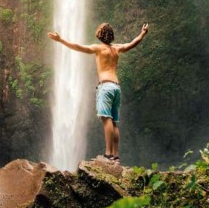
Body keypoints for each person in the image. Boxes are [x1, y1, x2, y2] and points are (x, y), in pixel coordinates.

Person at [48, 22, 149, 163]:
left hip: (106, 86)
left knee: (106, 119)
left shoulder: (98, 48)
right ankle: (116, 155)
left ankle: (108, 154)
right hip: (116, 87)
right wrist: (142, 33)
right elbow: (132, 43)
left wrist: (61, 40)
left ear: (101, 34)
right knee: (113, 122)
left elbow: (78, 47)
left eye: (99, 29)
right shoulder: (116, 49)